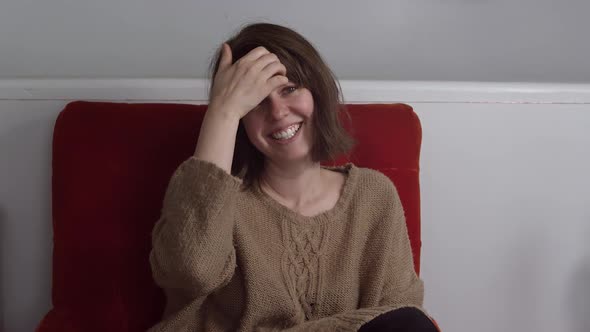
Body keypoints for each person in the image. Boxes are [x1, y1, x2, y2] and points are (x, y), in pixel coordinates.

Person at [148, 22, 438, 332]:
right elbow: (192, 270)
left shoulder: (374, 196)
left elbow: (399, 317)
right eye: (257, 101)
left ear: (317, 92)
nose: (277, 112)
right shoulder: (218, 204)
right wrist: (222, 112)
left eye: (289, 89)